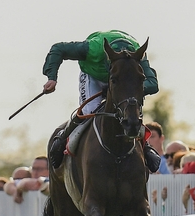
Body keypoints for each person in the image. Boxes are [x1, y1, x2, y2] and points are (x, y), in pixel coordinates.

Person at [42, 30, 160, 171]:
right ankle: (63, 137)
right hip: (94, 75)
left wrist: (127, 90)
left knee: (130, 107)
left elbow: (152, 84)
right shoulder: (92, 48)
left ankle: (145, 147)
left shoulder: (137, 54)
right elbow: (58, 49)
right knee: (90, 111)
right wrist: (52, 78)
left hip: (123, 81)